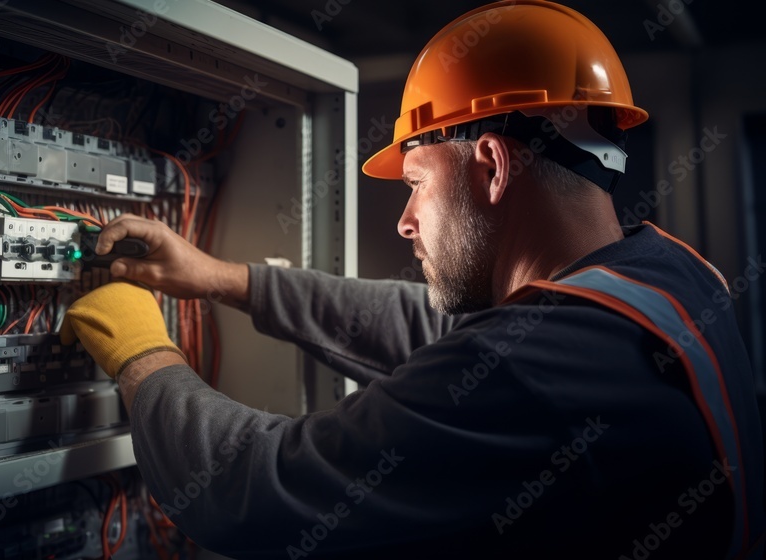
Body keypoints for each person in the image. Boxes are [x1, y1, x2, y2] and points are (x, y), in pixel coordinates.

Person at [60, 1, 765, 557]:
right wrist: (224, 279)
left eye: (418, 182)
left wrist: (142, 353)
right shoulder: (667, 274)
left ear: (490, 166)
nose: (404, 222)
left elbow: (254, 487)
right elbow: (440, 335)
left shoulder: (536, 372)